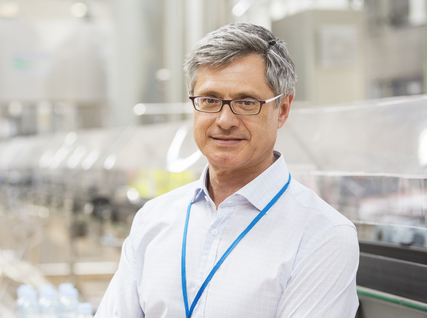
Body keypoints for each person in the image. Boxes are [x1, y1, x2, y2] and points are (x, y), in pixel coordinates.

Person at [95, 22, 359, 318]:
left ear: (282, 109)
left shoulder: (323, 236)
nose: (224, 120)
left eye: (246, 102)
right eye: (209, 100)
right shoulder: (153, 219)